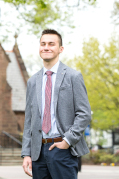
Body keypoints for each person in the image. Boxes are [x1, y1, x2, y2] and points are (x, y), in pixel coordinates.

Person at [21, 29, 91, 179]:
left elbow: (84, 114)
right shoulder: (33, 81)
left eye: (51, 44)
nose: (46, 47)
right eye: (43, 44)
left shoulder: (73, 77)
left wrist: (67, 141)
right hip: (37, 153)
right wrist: (26, 153)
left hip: (63, 150)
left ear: (60, 49)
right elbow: (29, 120)